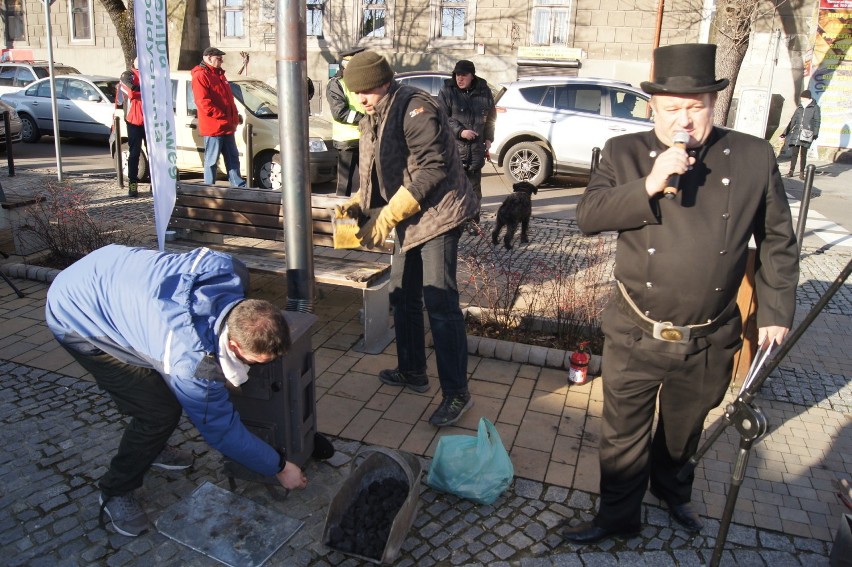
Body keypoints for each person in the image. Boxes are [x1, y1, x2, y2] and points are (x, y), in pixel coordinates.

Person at [567, 43, 799, 544]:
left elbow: (778, 239)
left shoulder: (754, 157)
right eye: (673, 108)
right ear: (653, 106)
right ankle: (617, 518)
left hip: (709, 336)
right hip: (635, 329)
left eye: (696, 106)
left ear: (715, 104)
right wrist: (649, 183)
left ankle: (672, 494)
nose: (685, 120)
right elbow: (588, 217)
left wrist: (776, 311)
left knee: (683, 430)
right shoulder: (623, 152)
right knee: (622, 435)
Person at [45, 244, 308, 537]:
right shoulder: (191, 363)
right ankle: (115, 490)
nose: (256, 367)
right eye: (253, 361)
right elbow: (221, 432)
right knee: (157, 412)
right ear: (233, 345)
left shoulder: (233, 271)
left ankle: (152, 447)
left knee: (160, 391)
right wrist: (280, 467)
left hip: (108, 274)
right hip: (78, 317)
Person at [337, 50, 479, 427]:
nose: (359, 100)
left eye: (364, 92)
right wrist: (360, 204)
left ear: (382, 84)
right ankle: (413, 370)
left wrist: (387, 216)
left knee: (440, 302)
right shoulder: (375, 112)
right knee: (402, 294)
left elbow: (432, 168)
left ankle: (456, 394)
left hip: (439, 213)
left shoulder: (416, 108)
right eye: (355, 93)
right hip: (410, 215)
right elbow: (372, 166)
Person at [438, 59, 496, 234]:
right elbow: (441, 117)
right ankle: (453, 223)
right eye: (457, 75)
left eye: (463, 75)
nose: (459, 79)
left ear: (472, 76)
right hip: (454, 150)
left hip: (476, 150)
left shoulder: (484, 92)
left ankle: (473, 223)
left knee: (474, 191)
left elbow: (491, 117)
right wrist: (460, 132)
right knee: (453, 190)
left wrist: (488, 138)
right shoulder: (448, 91)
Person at [191, 47, 245, 187]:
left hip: (226, 125)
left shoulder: (219, 74)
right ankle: (209, 189)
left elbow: (228, 99)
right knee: (212, 161)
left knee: (233, 159)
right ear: (208, 58)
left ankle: (237, 186)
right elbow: (203, 102)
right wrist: (223, 116)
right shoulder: (201, 75)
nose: (222, 61)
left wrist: (233, 115)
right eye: (219, 58)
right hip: (214, 127)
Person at [326, 46, 367, 196]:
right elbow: (339, 112)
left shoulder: (361, 82)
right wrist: (365, 119)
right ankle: (343, 218)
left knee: (369, 183)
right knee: (345, 186)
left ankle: (368, 217)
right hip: (347, 142)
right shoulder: (336, 84)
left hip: (365, 138)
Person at [117, 57, 145, 198]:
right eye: (137, 58)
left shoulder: (150, 73)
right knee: (134, 154)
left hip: (149, 122)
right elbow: (132, 91)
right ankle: (132, 186)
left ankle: (155, 184)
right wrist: (147, 90)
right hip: (133, 121)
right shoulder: (127, 75)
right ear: (133, 61)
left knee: (154, 155)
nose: (140, 60)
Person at [781, 89, 821, 180]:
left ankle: (802, 172)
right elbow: (793, 121)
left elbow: (817, 121)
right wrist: (785, 133)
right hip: (797, 133)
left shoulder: (815, 107)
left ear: (807, 97)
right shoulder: (799, 107)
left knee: (803, 154)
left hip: (807, 133)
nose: (802, 99)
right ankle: (791, 171)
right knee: (794, 153)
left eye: (803, 97)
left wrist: (815, 133)